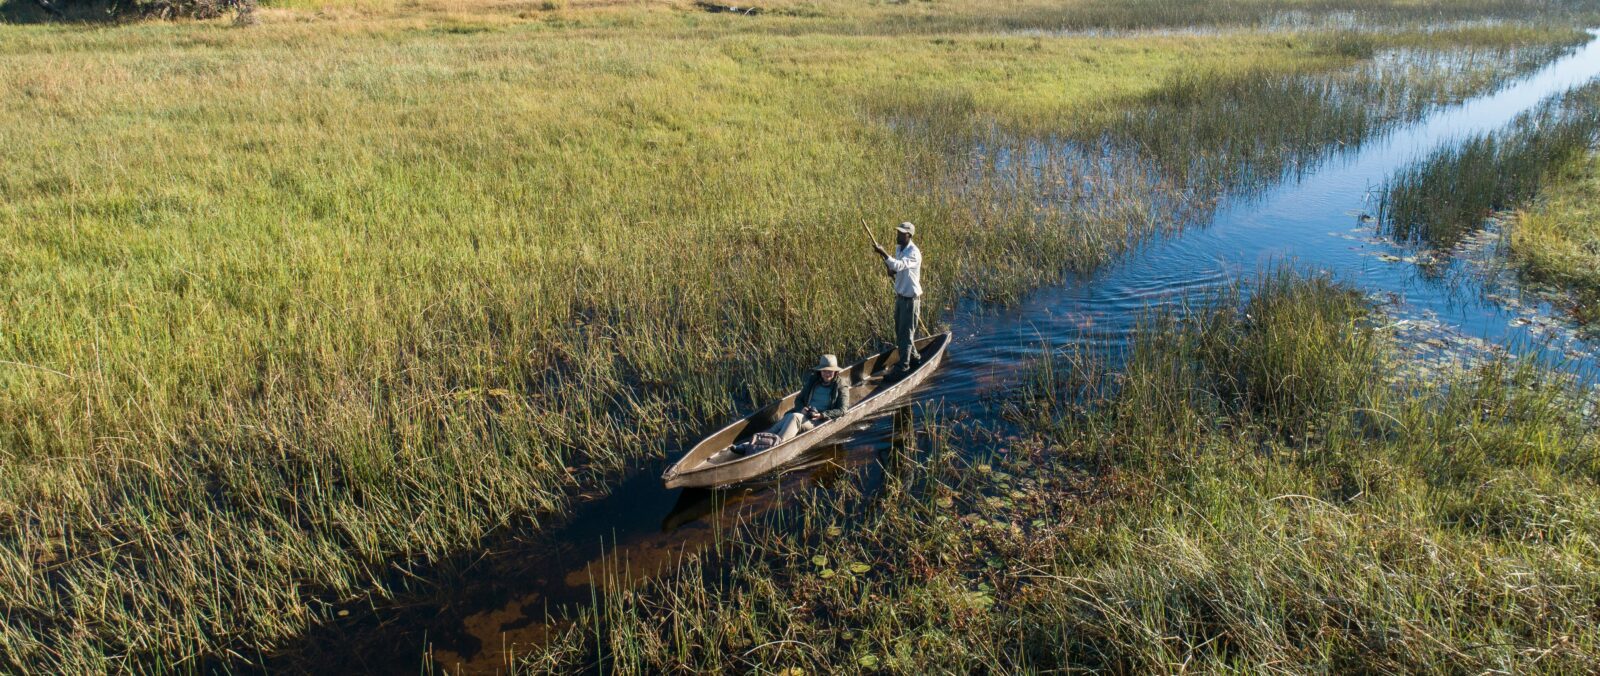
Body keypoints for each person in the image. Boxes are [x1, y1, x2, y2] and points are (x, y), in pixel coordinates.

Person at [733, 355, 851, 455]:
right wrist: (802, 409)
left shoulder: (841, 386)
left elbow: (842, 410)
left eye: (830, 371)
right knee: (783, 422)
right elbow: (799, 399)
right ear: (820, 371)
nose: (827, 374)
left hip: (821, 420)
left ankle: (770, 447)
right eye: (824, 371)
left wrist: (821, 415)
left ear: (835, 371)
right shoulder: (813, 380)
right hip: (806, 414)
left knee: (794, 417)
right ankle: (748, 444)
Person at [872, 221, 922, 373]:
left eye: (901, 233)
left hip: (910, 300)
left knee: (906, 334)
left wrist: (883, 253)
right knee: (900, 331)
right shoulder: (899, 247)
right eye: (898, 232)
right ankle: (915, 358)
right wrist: (891, 270)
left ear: (909, 235)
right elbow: (898, 267)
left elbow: (899, 265)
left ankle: (904, 366)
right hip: (900, 298)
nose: (898, 235)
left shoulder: (914, 252)